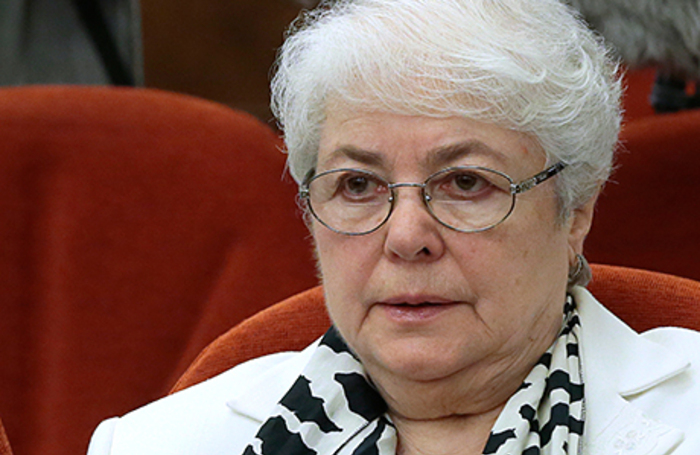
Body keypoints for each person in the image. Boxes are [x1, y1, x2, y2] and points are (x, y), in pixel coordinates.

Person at [87, 0, 700, 454]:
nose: (406, 238)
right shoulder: (152, 444)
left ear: (575, 212)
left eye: (466, 183)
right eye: (357, 185)